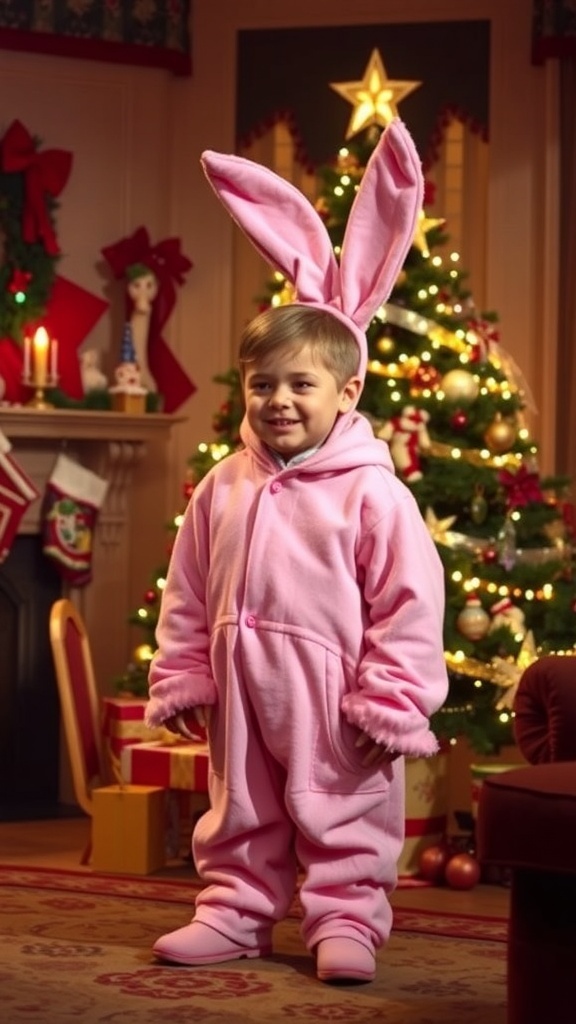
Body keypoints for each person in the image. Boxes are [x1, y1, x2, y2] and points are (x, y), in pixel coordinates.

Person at [144, 119, 449, 984]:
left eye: (301, 384)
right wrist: (184, 672)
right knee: (239, 804)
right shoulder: (224, 485)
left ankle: (346, 919)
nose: (278, 400)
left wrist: (391, 700)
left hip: (333, 693)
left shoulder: (373, 493)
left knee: (343, 806)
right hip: (241, 685)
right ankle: (233, 912)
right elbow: (187, 588)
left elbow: (410, 601)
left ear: (347, 392)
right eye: (262, 384)